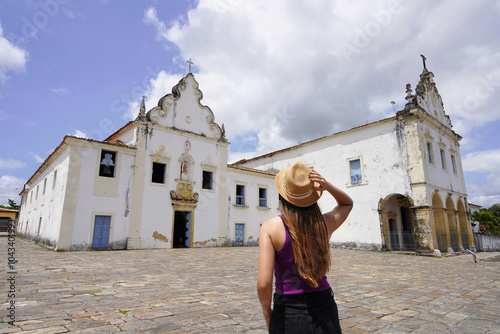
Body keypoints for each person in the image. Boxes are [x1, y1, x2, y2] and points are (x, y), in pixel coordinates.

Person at [257, 161, 353, 333]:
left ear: (283, 196)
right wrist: (327, 186)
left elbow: (264, 283)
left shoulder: (269, 228)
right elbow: (347, 204)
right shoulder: (325, 223)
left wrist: (267, 313)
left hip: (288, 311)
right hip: (325, 306)